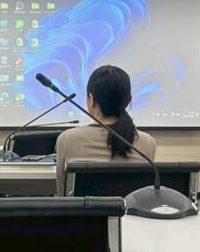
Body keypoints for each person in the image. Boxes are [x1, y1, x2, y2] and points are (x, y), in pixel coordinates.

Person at [54, 65, 156, 196]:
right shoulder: (148, 142)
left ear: (91, 99)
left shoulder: (67, 139)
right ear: (128, 100)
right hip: (128, 210)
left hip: (83, 210)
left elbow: (63, 196)